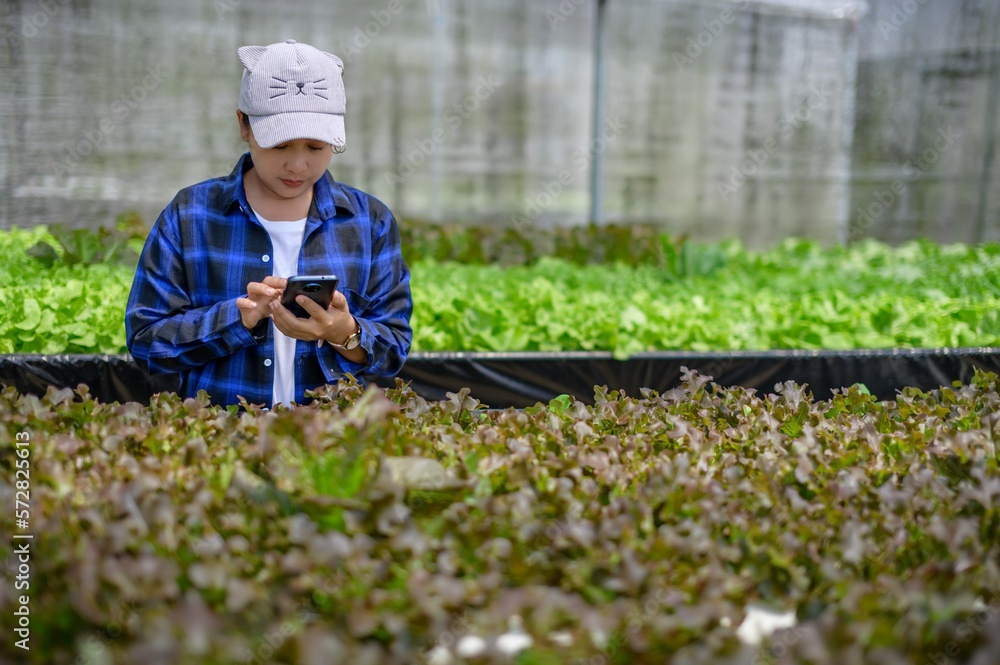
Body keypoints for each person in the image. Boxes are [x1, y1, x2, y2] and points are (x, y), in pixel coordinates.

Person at [126, 39, 412, 408]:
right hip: (222, 444)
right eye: (279, 145)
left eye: (315, 147)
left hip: (330, 445)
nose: (297, 165)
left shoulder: (368, 222)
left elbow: (394, 349)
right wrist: (235, 320)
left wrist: (346, 334)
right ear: (244, 124)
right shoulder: (191, 215)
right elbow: (146, 342)